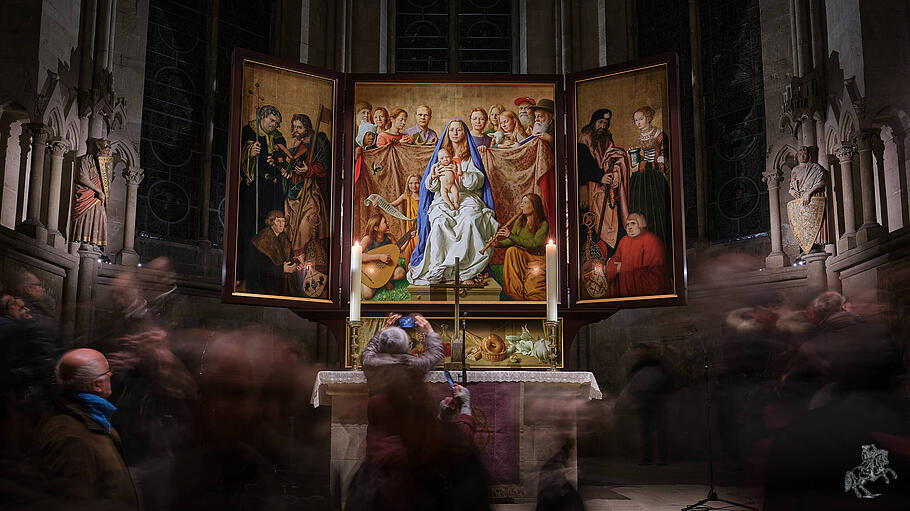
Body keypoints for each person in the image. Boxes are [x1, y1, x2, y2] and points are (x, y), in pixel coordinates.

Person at [346, 313, 489, 511]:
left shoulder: (370, 363)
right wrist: (428, 330)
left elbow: (368, 351)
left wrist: (383, 331)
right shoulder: (412, 365)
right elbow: (436, 354)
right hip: (414, 455)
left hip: (379, 448)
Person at [36, 348, 139, 508]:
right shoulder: (71, 438)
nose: (112, 374)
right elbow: (76, 502)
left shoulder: (91, 418)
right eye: (108, 371)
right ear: (97, 385)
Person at [407, 120, 499, 286]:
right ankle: (438, 268)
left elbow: (478, 181)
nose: (455, 133)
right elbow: (430, 186)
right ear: (447, 134)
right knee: (439, 222)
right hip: (443, 198)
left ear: (464, 133)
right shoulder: (441, 155)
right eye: (452, 130)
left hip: (467, 197)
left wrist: (462, 174)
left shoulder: (470, 157)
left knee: (470, 220)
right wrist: (434, 177)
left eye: (459, 130)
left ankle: (465, 270)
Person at [239, 105, 287, 278]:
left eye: (277, 123)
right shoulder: (248, 131)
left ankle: (269, 273)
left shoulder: (279, 139)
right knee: (251, 227)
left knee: (270, 230)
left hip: (272, 191)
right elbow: (236, 157)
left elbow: (284, 162)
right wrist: (250, 153)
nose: (274, 125)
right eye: (271, 120)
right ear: (262, 117)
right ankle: (247, 273)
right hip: (254, 189)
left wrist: (277, 162)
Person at [578, 108, 630, 256]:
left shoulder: (607, 139)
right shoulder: (584, 139)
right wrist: (600, 176)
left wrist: (616, 175)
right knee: (592, 224)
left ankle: (612, 254)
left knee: (614, 219)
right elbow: (583, 165)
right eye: (600, 122)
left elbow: (614, 160)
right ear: (594, 122)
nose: (603, 126)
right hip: (591, 189)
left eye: (606, 124)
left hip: (608, 189)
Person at [282, 114, 330, 275]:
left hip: (311, 191)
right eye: (294, 127)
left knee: (306, 224)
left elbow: (325, 166)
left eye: (299, 127)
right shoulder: (298, 145)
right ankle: (299, 263)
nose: (296, 130)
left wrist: (308, 170)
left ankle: (308, 265)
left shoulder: (319, 140)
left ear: (307, 128)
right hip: (295, 192)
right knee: (292, 226)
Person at [628, 106, 671, 249]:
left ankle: (657, 244)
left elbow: (662, 162)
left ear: (649, 118)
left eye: (641, 119)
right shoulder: (640, 137)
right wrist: (635, 158)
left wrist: (644, 164)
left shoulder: (659, 134)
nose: (638, 122)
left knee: (655, 211)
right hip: (641, 176)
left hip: (655, 177)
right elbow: (641, 158)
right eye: (636, 120)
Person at [497, 193, 549, 300]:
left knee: (533, 289)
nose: (521, 205)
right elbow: (511, 240)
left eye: (525, 202)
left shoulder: (543, 224)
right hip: (523, 256)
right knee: (512, 251)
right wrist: (498, 244)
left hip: (537, 259)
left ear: (534, 206)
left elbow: (534, 244)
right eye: (522, 202)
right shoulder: (520, 221)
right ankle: (516, 292)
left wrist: (510, 235)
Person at [605, 213, 668, 297]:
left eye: (633, 223)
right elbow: (616, 258)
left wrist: (621, 267)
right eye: (627, 224)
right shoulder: (624, 240)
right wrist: (612, 264)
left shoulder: (651, 240)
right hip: (625, 288)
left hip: (643, 289)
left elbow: (655, 272)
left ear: (640, 224)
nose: (629, 227)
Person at [244, 210, 301, 295]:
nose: (282, 224)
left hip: (282, 284)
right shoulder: (261, 240)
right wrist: (281, 269)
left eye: (283, 221)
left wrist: (296, 264)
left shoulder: (284, 238)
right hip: (266, 287)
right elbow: (259, 267)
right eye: (278, 221)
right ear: (271, 222)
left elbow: (289, 258)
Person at [72, 138, 112, 250]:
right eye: (106, 152)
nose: (107, 155)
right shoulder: (86, 160)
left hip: (98, 197)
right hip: (88, 194)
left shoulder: (103, 165)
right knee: (87, 216)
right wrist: (99, 191)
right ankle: (84, 241)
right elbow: (83, 178)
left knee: (100, 216)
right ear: (99, 150)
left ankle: (93, 242)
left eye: (108, 152)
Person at [788, 145, 828, 252]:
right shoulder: (795, 170)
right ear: (797, 157)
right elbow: (791, 186)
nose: (803, 156)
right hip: (800, 201)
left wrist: (809, 193)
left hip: (813, 198)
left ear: (809, 155)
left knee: (815, 222)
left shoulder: (815, 168)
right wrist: (792, 191)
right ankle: (805, 248)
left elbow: (821, 181)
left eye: (805, 154)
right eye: (800, 154)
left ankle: (816, 245)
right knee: (803, 225)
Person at [359, 213, 407, 299]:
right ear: (376, 228)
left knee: (401, 273)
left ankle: (383, 281)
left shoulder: (389, 237)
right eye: (384, 222)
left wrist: (408, 238)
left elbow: (397, 250)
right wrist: (379, 257)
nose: (387, 223)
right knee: (367, 295)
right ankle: (377, 282)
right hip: (371, 270)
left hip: (385, 268)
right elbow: (358, 256)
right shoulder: (368, 238)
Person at [390, 174, 421, 264]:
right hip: (411, 226)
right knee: (410, 244)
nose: (413, 186)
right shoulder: (406, 196)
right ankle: (411, 268)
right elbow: (392, 205)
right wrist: (379, 202)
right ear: (408, 184)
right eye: (411, 183)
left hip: (421, 225)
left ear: (421, 183)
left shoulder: (424, 196)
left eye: (416, 183)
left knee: (420, 243)